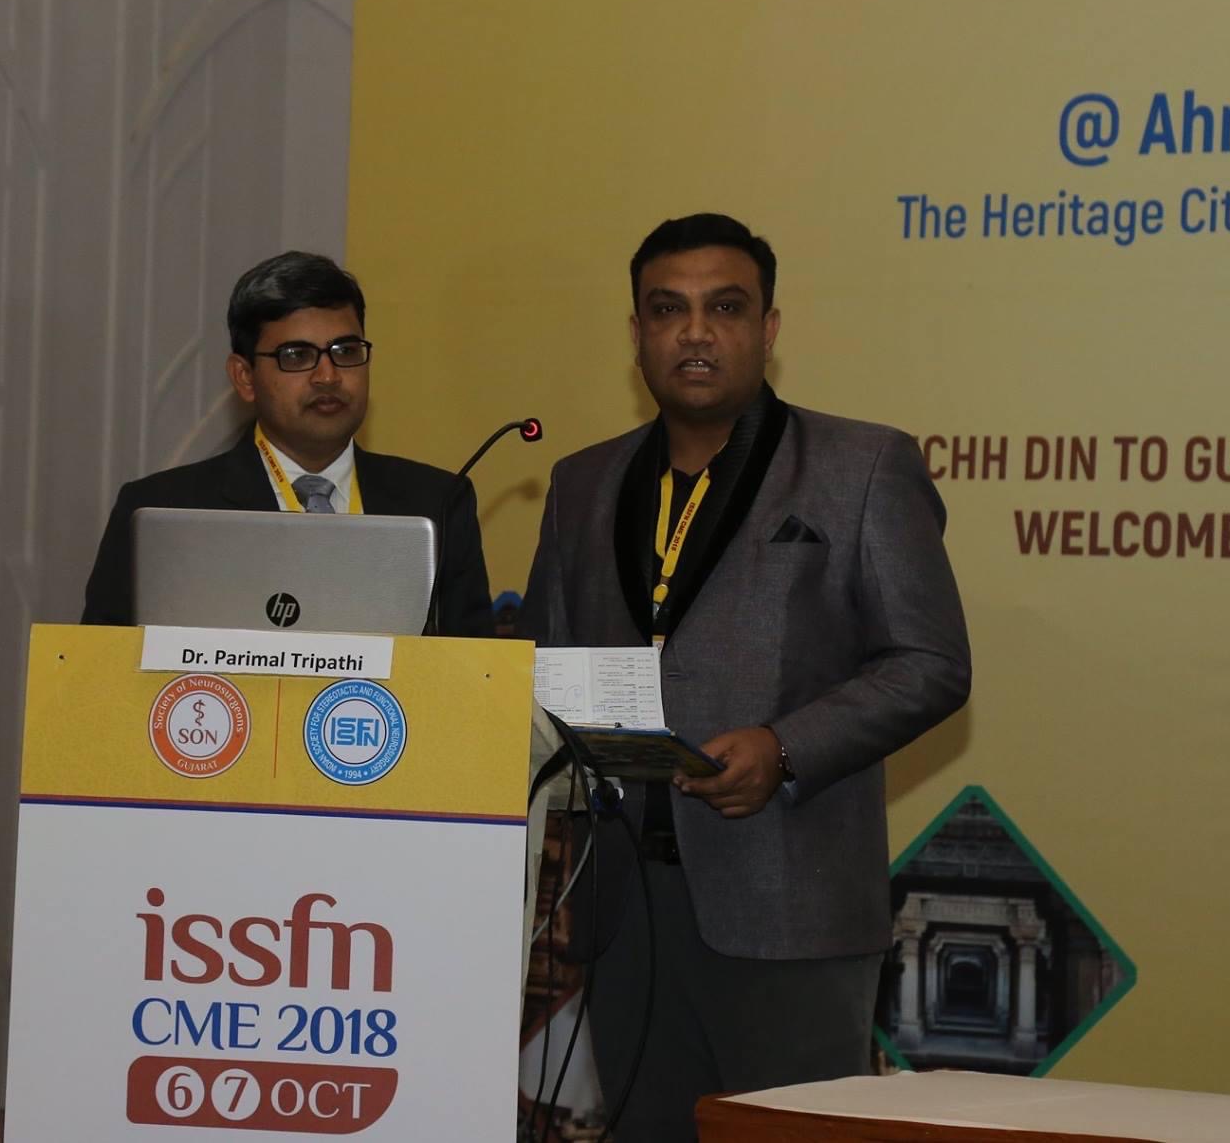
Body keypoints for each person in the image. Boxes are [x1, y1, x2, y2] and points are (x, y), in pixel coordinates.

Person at [522, 214, 971, 1139]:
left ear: (768, 329)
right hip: (624, 913)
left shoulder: (861, 465)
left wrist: (785, 746)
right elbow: (544, 665)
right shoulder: (581, 483)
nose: (695, 332)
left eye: (724, 308)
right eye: (667, 310)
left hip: (788, 904)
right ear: (637, 332)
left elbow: (930, 663)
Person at [81, 250, 493, 635]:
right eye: (296, 355)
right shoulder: (161, 512)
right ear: (245, 377)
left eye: (346, 351)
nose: (328, 376)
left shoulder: (437, 504)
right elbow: (99, 672)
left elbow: (476, 671)